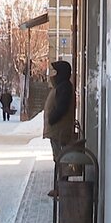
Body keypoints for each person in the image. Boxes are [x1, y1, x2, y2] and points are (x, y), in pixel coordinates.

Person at [43, 60, 75, 197]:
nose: (52, 75)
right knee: (58, 159)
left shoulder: (64, 87)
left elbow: (62, 107)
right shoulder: (61, 86)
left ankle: (61, 188)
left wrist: (52, 118)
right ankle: (59, 187)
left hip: (60, 131)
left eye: (55, 72)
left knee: (61, 159)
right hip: (57, 131)